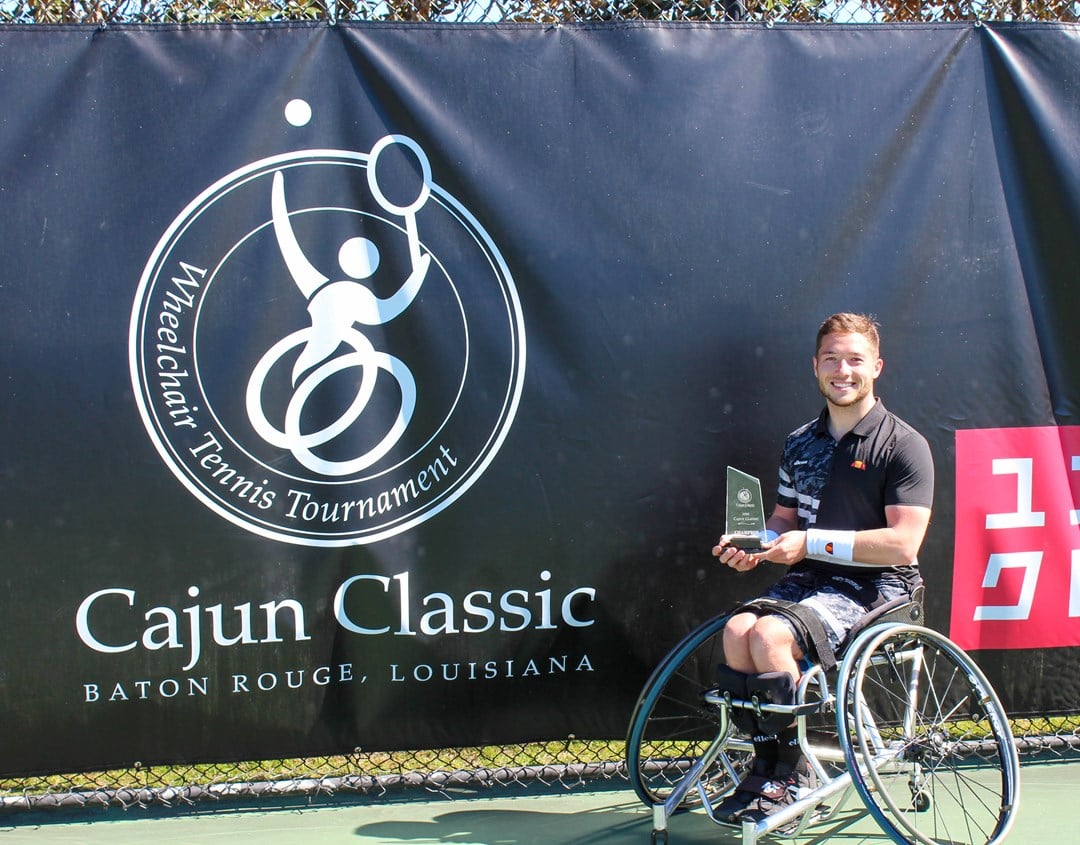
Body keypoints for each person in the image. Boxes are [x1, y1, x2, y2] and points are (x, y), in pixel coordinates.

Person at [710, 312, 934, 824]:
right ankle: (765, 766)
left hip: (881, 588)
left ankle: (792, 774)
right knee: (738, 628)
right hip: (808, 581)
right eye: (831, 358)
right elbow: (782, 519)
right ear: (815, 366)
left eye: (855, 359)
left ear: (876, 367)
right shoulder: (800, 442)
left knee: (768, 636)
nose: (842, 369)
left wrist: (808, 542)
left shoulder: (904, 446)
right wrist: (756, 545)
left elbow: (903, 544)